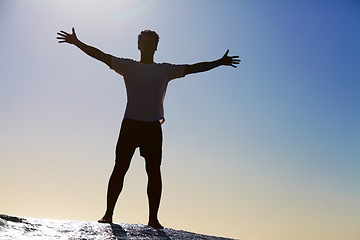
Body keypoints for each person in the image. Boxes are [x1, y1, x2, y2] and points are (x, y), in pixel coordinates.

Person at [57, 28, 240, 229]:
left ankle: (153, 219)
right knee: (120, 168)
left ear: (155, 47)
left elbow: (193, 68)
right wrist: (77, 42)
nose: (147, 45)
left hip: (152, 126)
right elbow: (101, 56)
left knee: (154, 172)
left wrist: (219, 62)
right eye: (144, 42)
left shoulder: (165, 70)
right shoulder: (127, 66)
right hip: (130, 124)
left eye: (151, 43)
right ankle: (108, 214)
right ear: (138, 46)